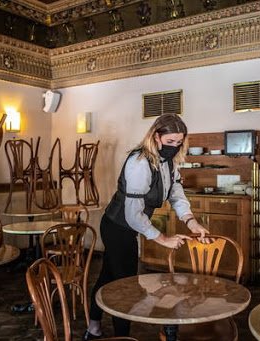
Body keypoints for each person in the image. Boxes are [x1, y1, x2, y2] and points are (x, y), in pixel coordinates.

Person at [83, 113, 209, 340]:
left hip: (129, 227)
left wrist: (191, 221)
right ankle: (122, 336)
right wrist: (163, 239)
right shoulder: (139, 162)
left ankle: (93, 327)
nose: (175, 147)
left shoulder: (169, 162)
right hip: (117, 227)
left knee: (107, 278)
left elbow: (176, 194)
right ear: (156, 136)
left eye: (179, 142)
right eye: (170, 142)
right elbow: (133, 215)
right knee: (126, 286)